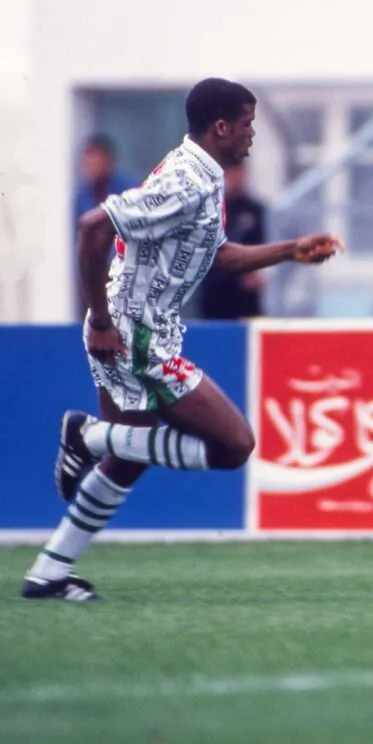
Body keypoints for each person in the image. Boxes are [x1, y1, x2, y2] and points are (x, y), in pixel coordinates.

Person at [21, 78, 342, 601]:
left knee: (131, 455)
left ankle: (49, 571)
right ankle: (86, 436)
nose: (251, 136)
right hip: (132, 335)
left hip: (136, 330)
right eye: (247, 124)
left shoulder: (202, 174)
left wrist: (291, 250)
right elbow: (92, 227)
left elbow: (218, 256)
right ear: (221, 127)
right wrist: (101, 320)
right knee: (235, 445)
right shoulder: (187, 182)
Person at [198, 164, 267, 319]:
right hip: (216, 292)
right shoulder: (212, 210)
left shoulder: (256, 211)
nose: (236, 179)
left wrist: (256, 273)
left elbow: (263, 244)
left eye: (239, 174)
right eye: (232, 175)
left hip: (247, 297)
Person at [73, 134, 136, 228]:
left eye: (96, 163)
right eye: (89, 164)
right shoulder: (82, 197)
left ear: (108, 162)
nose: (92, 168)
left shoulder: (128, 193)